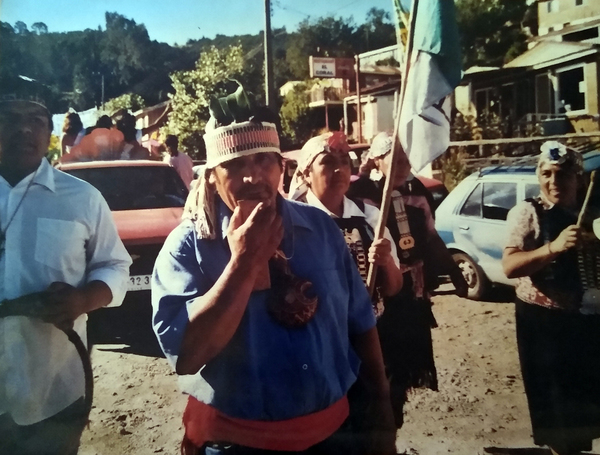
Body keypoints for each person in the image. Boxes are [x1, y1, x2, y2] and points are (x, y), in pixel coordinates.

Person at [151, 91, 395, 455]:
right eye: (234, 164)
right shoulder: (188, 246)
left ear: (282, 168)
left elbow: (359, 323)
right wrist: (243, 263)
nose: (252, 176)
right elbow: (188, 355)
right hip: (239, 443)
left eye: (264, 160)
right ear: (213, 178)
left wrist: (381, 410)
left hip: (335, 434)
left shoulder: (322, 229)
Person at [0, 74, 132, 454]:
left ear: (50, 131)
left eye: (36, 119)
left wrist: (82, 301)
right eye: (9, 117)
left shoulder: (83, 198)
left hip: (55, 392)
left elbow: (115, 266)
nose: (23, 128)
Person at [348, 131, 468, 428]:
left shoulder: (419, 193)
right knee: (376, 368)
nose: (403, 165)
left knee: (401, 371)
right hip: (376, 295)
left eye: (407, 159)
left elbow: (430, 236)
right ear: (377, 160)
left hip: (412, 296)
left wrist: (454, 271)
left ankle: (392, 426)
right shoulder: (359, 196)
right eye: (395, 159)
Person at [502, 141, 600, 455]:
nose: (553, 182)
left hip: (589, 322)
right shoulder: (529, 212)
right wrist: (553, 248)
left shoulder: (593, 212)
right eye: (546, 173)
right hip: (546, 326)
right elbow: (510, 266)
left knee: (589, 408)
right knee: (560, 418)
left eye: (562, 174)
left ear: (579, 179)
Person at [289, 131, 403, 315]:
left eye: (344, 162)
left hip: (368, 331)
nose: (339, 169)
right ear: (306, 173)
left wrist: (386, 261)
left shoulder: (370, 216)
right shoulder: (293, 221)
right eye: (328, 162)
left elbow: (394, 287)